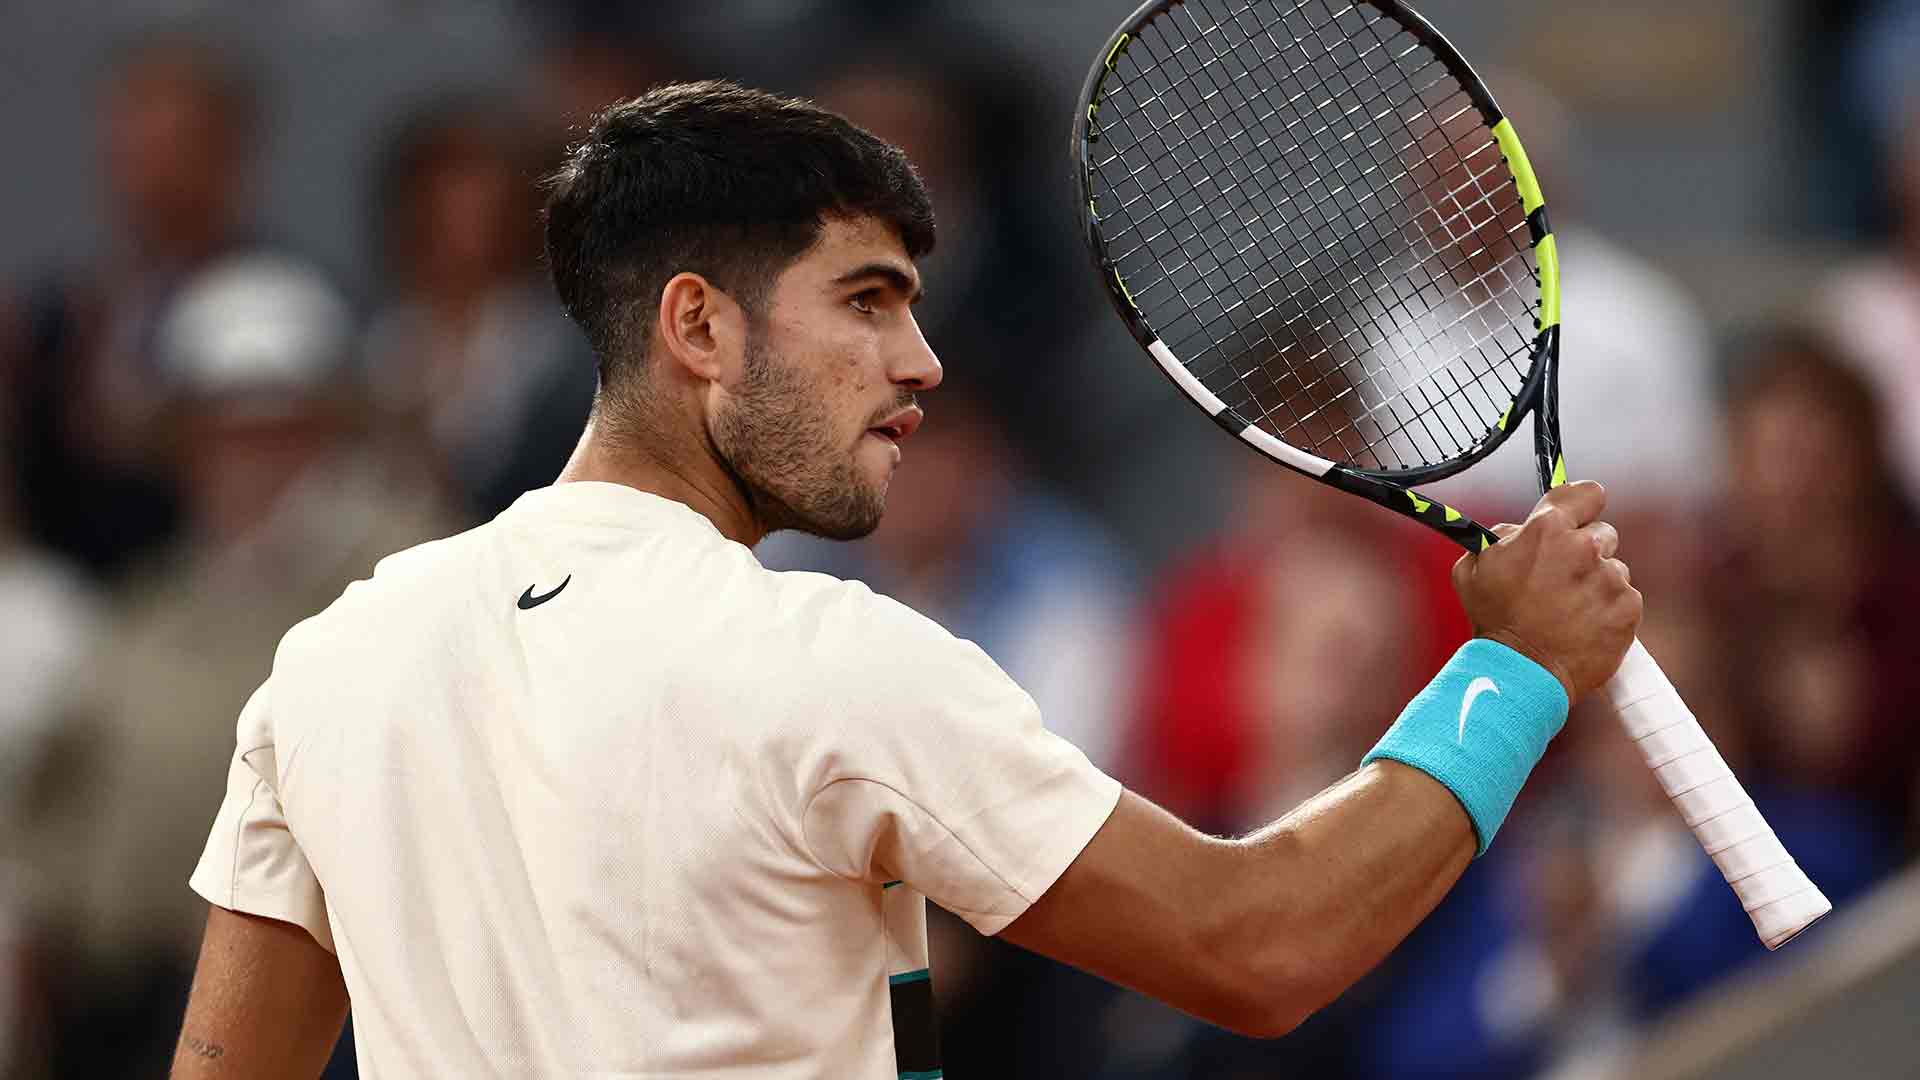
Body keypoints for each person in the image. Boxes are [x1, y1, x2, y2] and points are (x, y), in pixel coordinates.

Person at [170, 81, 1640, 1078]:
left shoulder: (332, 662)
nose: (920, 363)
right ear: (699, 326)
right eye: (865, 302)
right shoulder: (826, 659)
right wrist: (1510, 675)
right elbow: (1256, 943)